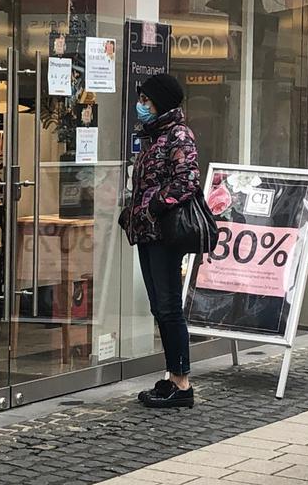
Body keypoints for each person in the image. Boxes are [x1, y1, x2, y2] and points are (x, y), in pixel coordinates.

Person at [119, 73, 200, 409]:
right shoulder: (155, 135)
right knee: (159, 307)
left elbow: (188, 181)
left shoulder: (178, 135)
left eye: (146, 101)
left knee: (168, 308)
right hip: (148, 232)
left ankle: (182, 384)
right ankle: (171, 377)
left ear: (161, 102)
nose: (141, 106)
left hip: (166, 234)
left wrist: (152, 207)